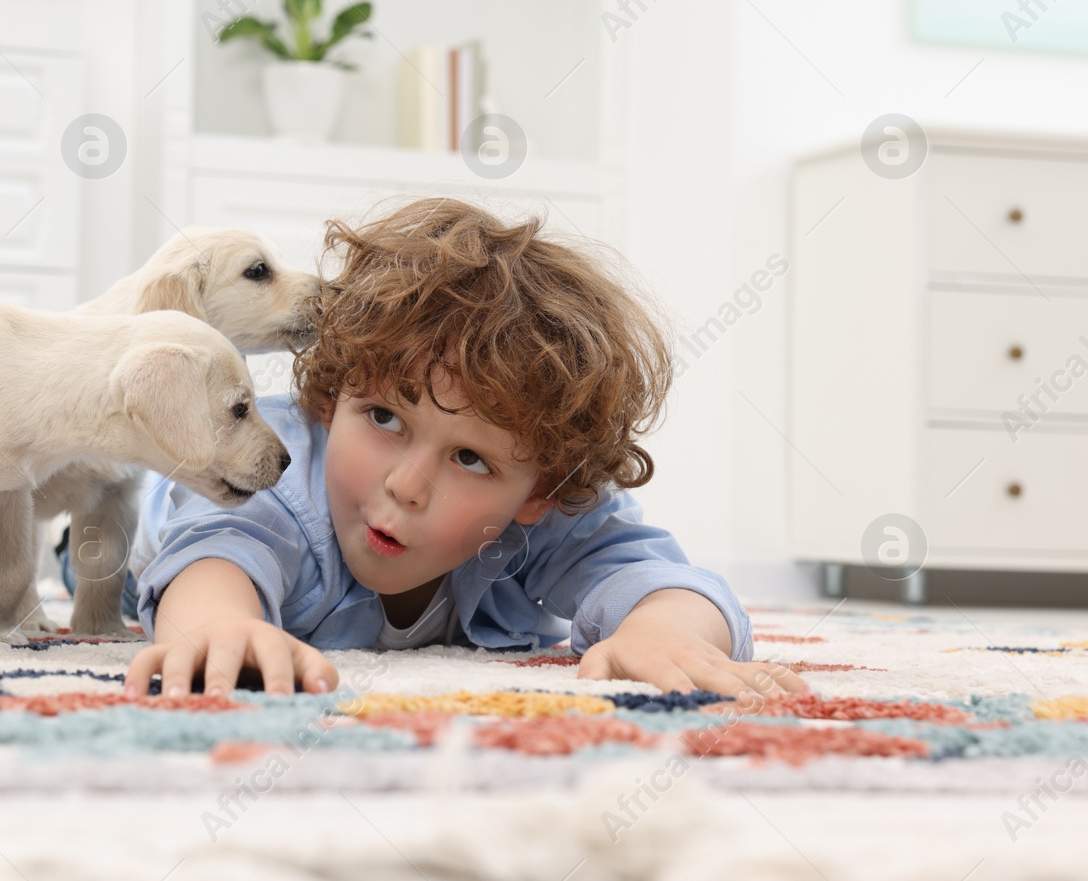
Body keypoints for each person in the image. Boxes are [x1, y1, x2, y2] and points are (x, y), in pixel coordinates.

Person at [93, 197, 805, 701]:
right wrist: (222, 626)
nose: (407, 484)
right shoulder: (278, 480)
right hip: (154, 515)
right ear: (329, 395)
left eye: (470, 458)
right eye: (383, 417)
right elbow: (218, 550)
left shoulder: (546, 511)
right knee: (104, 547)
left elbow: (651, 574)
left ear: (539, 493)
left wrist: (663, 630)